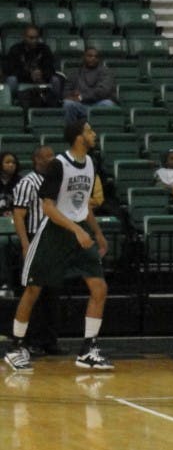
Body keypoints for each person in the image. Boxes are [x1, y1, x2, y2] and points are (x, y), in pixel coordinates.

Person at [4, 120, 113, 373]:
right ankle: (16, 347)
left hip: (80, 231)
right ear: (78, 137)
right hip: (55, 232)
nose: (93, 134)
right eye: (88, 131)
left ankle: (88, 349)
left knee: (99, 288)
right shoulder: (58, 165)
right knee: (33, 289)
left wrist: (97, 232)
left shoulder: (89, 164)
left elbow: (83, 205)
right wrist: (76, 230)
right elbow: (48, 208)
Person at [11, 145, 63, 355]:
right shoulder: (27, 183)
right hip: (34, 238)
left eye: (52, 156)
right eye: (46, 157)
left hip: (52, 240)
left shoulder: (55, 182)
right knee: (34, 293)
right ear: (36, 160)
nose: (51, 160)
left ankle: (49, 341)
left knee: (52, 293)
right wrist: (26, 244)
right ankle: (28, 341)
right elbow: (18, 216)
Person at [4, 24, 62, 107]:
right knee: (11, 79)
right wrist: (29, 75)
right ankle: (13, 103)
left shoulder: (45, 49)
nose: (34, 40)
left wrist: (42, 74)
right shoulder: (16, 49)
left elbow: (50, 68)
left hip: (41, 79)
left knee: (56, 80)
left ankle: (55, 104)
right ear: (24, 37)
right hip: (22, 79)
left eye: (36, 38)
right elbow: (10, 69)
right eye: (31, 38)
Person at [62, 47, 117, 123]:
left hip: (98, 104)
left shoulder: (106, 72)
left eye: (96, 57)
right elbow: (66, 92)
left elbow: (102, 92)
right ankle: (71, 132)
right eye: (90, 56)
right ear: (84, 57)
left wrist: (81, 96)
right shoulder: (74, 73)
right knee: (67, 103)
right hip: (81, 106)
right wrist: (71, 94)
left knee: (108, 104)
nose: (93, 58)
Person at [0, 151, 21, 296]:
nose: (11, 165)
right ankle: (4, 283)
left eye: (13, 162)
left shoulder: (20, 182)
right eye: (7, 162)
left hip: (15, 223)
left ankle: (19, 283)